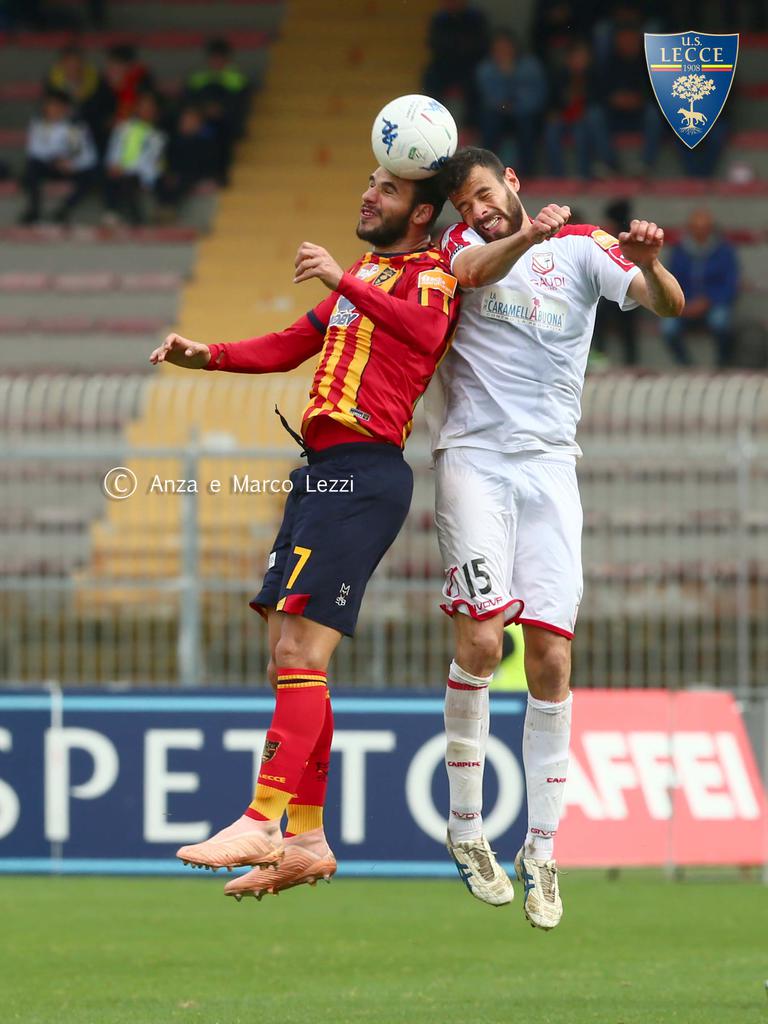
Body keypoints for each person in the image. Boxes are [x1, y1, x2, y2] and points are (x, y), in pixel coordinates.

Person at [149, 166, 460, 899]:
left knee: (299, 653)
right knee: (286, 661)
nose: (369, 193)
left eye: (387, 189)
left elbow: (426, 334)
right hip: (322, 474)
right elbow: (291, 343)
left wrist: (341, 281)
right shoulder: (368, 275)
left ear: (421, 213)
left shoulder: (431, 275)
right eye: (371, 182)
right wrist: (209, 355)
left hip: (364, 471)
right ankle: (308, 839)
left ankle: (263, 819)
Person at [430, 147, 683, 926]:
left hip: (550, 469)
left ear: (511, 180)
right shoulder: (460, 248)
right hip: (475, 459)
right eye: (464, 204)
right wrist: (525, 237)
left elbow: (668, 306)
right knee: (481, 642)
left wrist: (650, 264)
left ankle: (541, 849)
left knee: (552, 658)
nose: (476, 210)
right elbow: (472, 273)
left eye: (483, 193)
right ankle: (466, 828)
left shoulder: (580, 248)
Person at [661, 207, 739, 367]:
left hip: (714, 303)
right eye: (696, 228)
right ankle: (686, 365)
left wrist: (708, 301)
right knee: (668, 327)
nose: (700, 232)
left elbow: (730, 283)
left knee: (720, 321)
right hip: (685, 303)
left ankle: (723, 363)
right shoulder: (679, 251)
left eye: (704, 228)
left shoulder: (724, 251)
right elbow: (670, 280)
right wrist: (683, 303)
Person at [19, 88, 98, 225]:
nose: (53, 109)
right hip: (48, 167)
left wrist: (71, 163)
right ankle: (34, 209)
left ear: (65, 108)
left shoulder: (74, 127)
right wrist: (54, 160)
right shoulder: (39, 125)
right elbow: (34, 151)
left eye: (57, 106)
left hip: (70, 169)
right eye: (50, 105)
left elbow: (86, 156)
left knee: (91, 176)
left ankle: (63, 210)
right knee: (31, 167)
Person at [475, 30, 548, 176]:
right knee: (489, 121)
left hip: (525, 113)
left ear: (514, 48)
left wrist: (516, 104)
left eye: (505, 47)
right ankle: (488, 172)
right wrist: (505, 80)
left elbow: (537, 96)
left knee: (526, 124)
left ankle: (528, 173)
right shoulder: (485, 69)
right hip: (497, 113)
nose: (502, 52)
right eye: (498, 49)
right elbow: (488, 98)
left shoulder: (530, 65)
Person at [103, 91, 165, 225]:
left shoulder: (158, 135)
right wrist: (114, 165)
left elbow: (154, 162)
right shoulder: (124, 128)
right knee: (111, 177)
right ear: (137, 108)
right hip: (122, 171)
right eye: (143, 107)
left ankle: (137, 220)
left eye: (150, 107)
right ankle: (112, 213)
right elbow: (114, 149)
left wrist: (147, 180)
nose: (146, 111)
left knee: (129, 182)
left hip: (142, 175)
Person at [422, 0, 489, 122]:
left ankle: (471, 125)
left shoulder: (476, 18)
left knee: (479, 80)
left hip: (471, 65)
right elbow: (435, 45)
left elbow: (481, 46)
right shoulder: (439, 20)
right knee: (430, 78)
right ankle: (432, 120)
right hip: (444, 65)